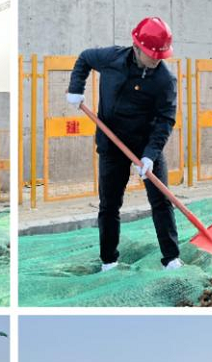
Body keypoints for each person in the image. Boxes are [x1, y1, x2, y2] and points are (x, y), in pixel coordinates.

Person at [65, 17, 180, 273]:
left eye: (160, 55)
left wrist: (150, 155)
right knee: (109, 204)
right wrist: (76, 88)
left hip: (145, 146)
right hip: (112, 143)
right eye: (152, 54)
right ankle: (109, 260)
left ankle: (171, 258)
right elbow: (84, 58)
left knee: (161, 201)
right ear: (137, 47)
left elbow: (165, 119)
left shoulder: (164, 80)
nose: (156, 59)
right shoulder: (112, 59)